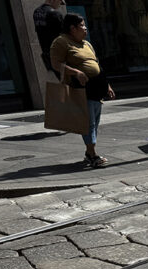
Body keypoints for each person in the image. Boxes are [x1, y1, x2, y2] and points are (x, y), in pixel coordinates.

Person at [51, 13, 115, 168]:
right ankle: (92, 154)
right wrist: (76, 72)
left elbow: (96, 64)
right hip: (81, 89)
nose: (85, 28)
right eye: (82, 25)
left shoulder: (87, 44)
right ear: (72, 28)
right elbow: (55, 64)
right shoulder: (61, 42)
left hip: (97, 88)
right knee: (88, 123)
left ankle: (89, 152)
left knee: (95, 122)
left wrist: (107, 85)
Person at [33, 0, 65, 75]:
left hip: (47, 54)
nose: (60, 5)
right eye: (60, 2)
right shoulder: (55, 14)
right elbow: (65, 35)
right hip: (58, 54)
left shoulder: (37, 12)